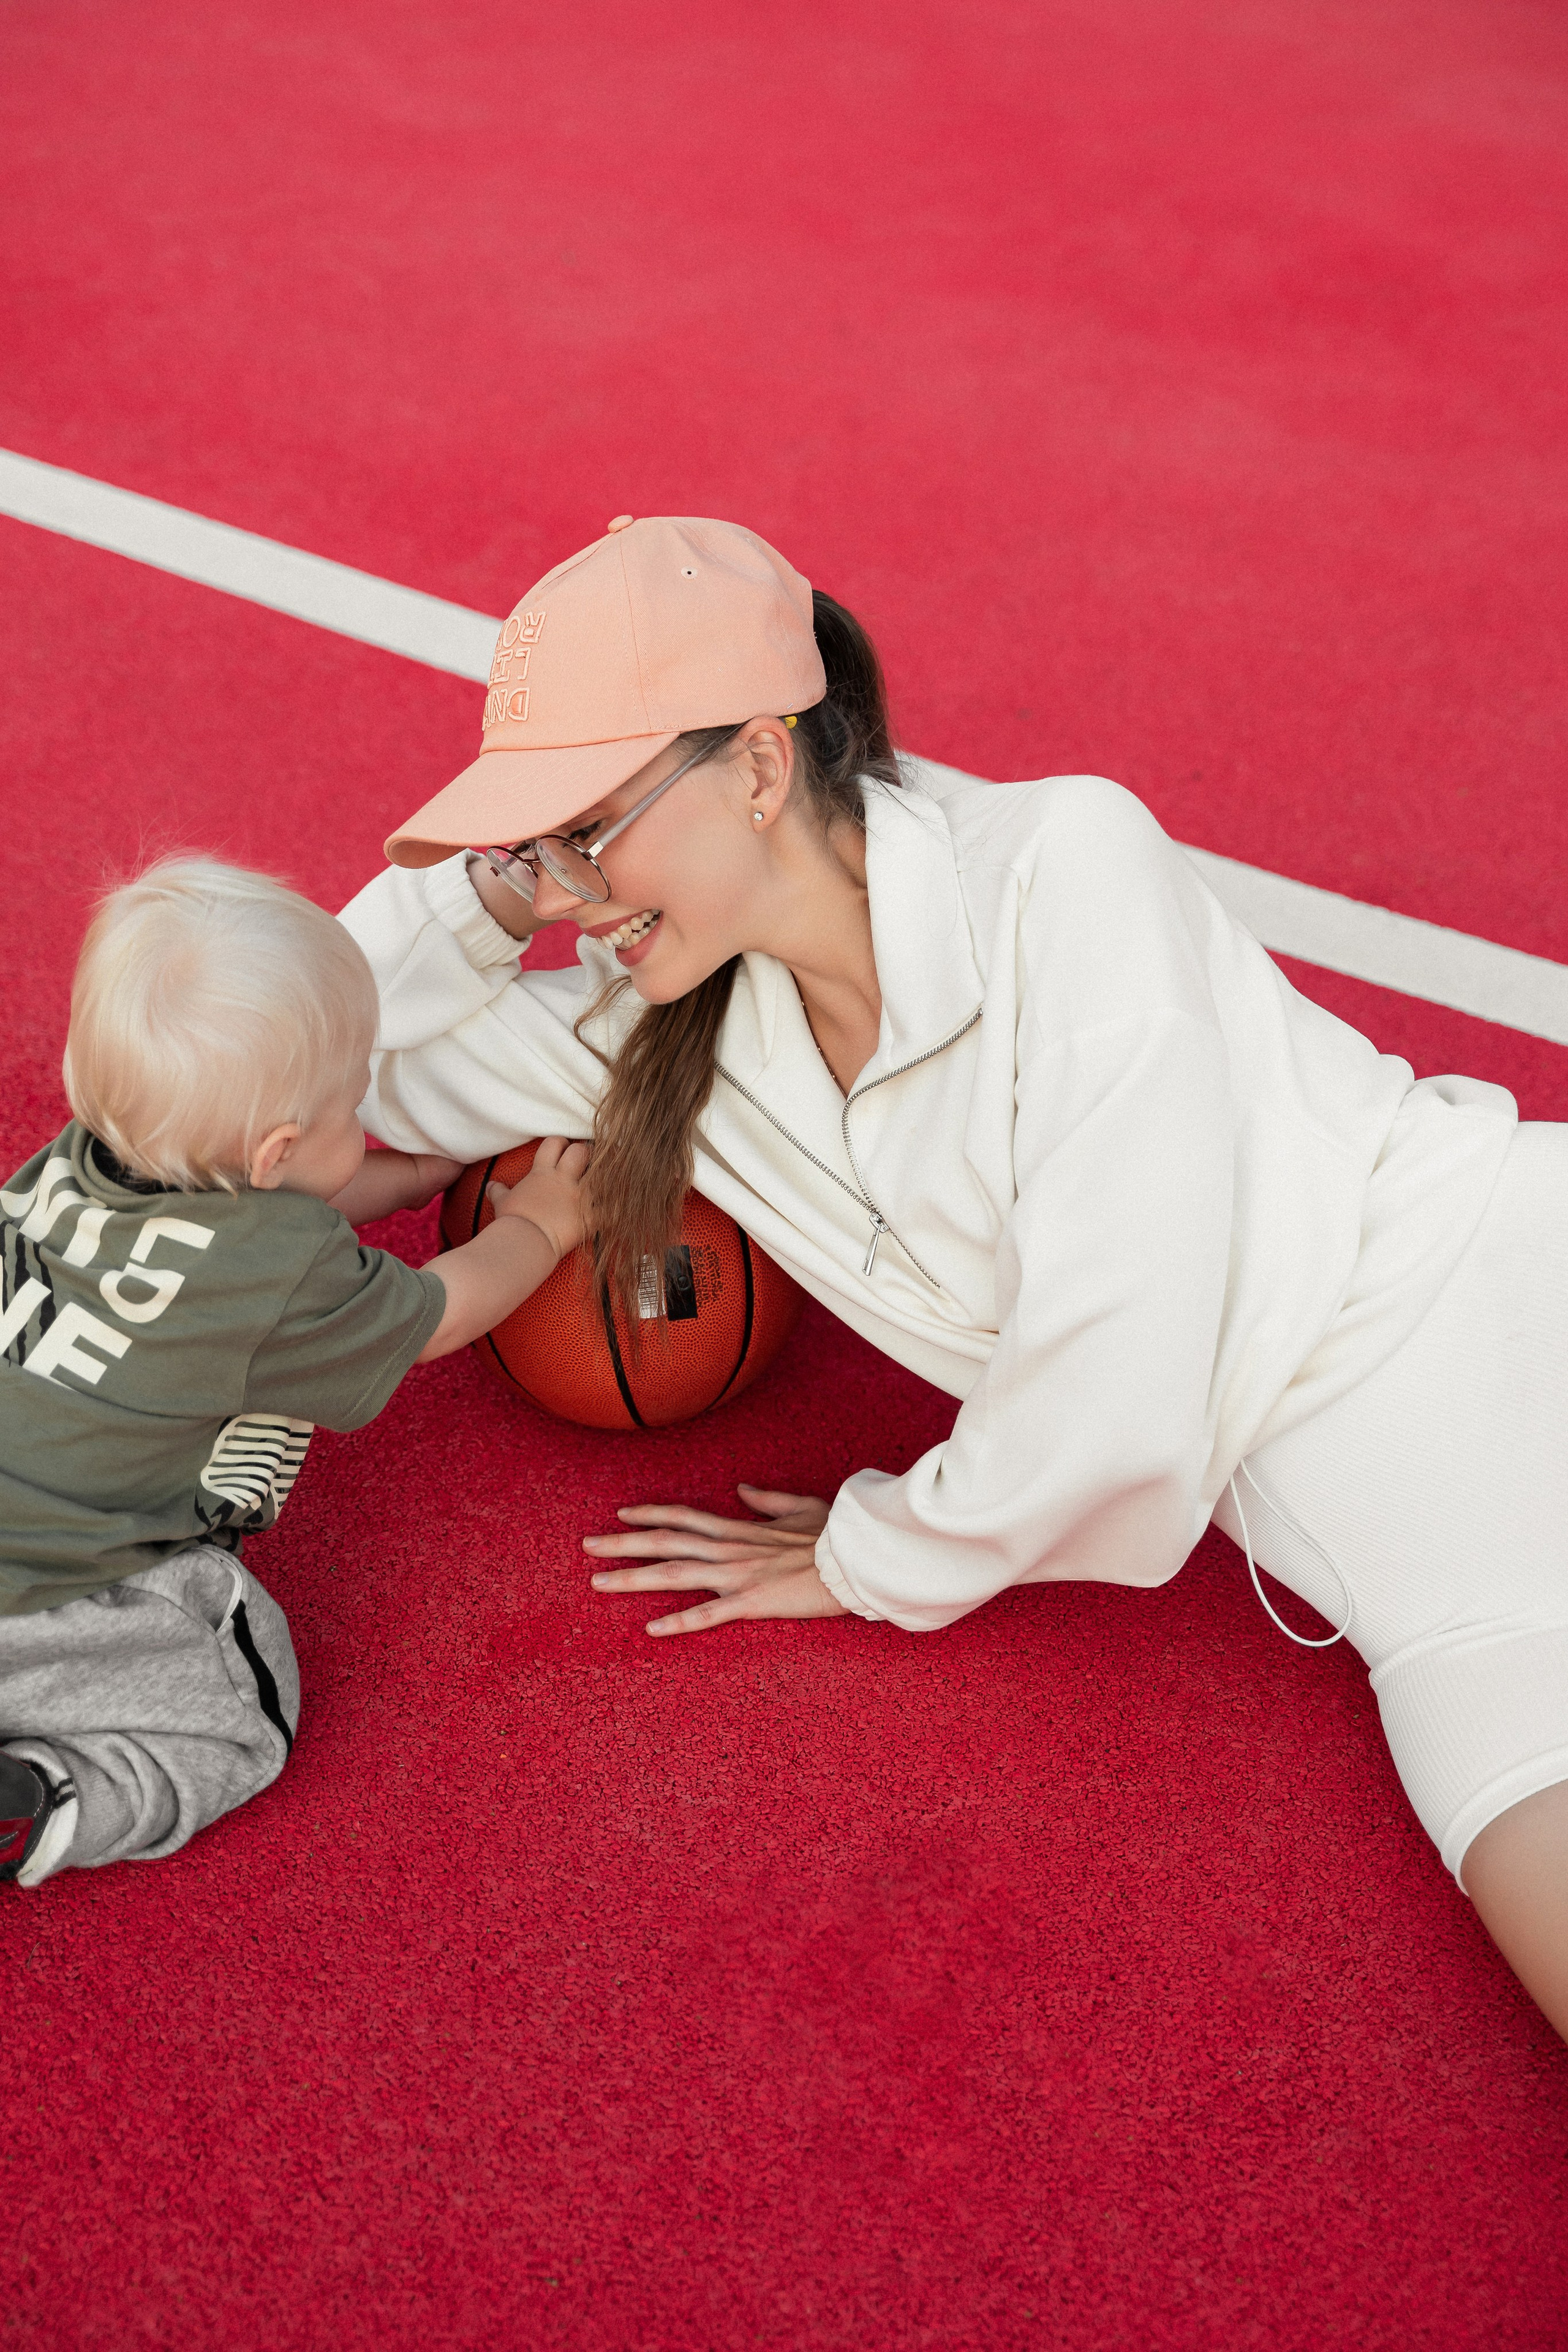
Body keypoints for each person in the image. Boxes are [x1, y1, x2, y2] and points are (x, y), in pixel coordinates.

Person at [339, 513, 1568, 2040]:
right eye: (533, 848)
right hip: (1434, 1602)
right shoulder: (641, 1035)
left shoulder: (1065, 862)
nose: (570, 890)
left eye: (585, 829)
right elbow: (298, 1093)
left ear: (761, 766)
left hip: (1517, 1292)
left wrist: (880, 1551)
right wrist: (489, 896)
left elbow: (1115, 1388)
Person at [0, 858, 589, 1885]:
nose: (363, 1113)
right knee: (243, 1704)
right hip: (53, 1607)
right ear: (275, 1152)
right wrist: (541, 1227)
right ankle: (67, 1791)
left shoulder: (69, 1164)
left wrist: (415, 1174)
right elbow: (439, 1314)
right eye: (351, 1100)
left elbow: (257, 1223)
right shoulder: (279, 1280)